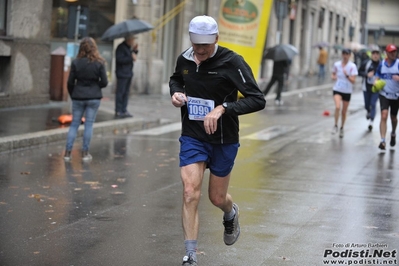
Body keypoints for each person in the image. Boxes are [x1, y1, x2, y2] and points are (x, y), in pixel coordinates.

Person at [169, 15, 266, 266]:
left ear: (216, 39)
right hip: (193, 135)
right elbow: (177, 78)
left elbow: (257, 99)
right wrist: (176, 93)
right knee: (190, 192)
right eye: (196, 44)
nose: (200, 50)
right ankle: (190, 255)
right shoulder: (185, 58)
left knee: (216, 198)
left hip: (224, 139)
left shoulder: (232, 62)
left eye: (206, 45)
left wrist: (223, 107)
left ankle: (230, 213)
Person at [64, 37, 108, 162]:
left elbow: (70, 82)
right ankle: (85, 153)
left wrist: (74, 94)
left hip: (78, 96)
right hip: (94, 97)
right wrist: (95, 87)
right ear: (94, 48)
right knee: (89, 124)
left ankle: (67, 153)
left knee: (74, 124)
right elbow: (104, 82)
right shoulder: (99, 63)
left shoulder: (76, 62)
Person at [375, 44, 399, 150]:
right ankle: (383, 141)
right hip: (384, 94)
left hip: (396, 95)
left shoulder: (398, 64)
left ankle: (393, 133)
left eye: (395, 52)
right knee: (384, 115)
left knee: (393, 118)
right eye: (391, 52)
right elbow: (377, 76)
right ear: (387, 53)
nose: (393, 54)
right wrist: (376, 82)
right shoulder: (382, 65)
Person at [331, 48, 358, 138]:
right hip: (337, 88)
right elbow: (333, 73)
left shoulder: (352, 66)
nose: (345, 56)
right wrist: (334, 77)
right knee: (337, 106)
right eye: (344, 54)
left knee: (344, 111)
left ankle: (342, 127)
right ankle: (335, 125)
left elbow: (353, 81)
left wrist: (347, 75)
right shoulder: (337, 64)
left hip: (347, 90)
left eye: (347, 54)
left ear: (350, 55)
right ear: (342, 55)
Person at [114, 35, 138, 118]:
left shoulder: (128, 48)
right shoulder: (121, 47)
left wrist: (135, 50)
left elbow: (132, 56)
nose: (133, 41)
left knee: (126, 92)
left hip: (128, 73)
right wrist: (130, 57)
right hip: (122, 74)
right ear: (129, 39)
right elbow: (120, 59)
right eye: (132, 39)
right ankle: (118, 110)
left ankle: (124, 110)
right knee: (120, 92)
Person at [358, 47, 381, 131]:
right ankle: (368, 111)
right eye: (373, 54)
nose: (375, 55)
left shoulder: (381, 65)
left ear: (379, 55)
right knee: (367, 105)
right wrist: (366, 74)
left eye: (377, 54)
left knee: (373, 103)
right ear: (371, 55)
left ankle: (371, 121)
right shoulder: (366, 63)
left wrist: (379, 80)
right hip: (366, 87)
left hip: (376, 89)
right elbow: (359, 72)